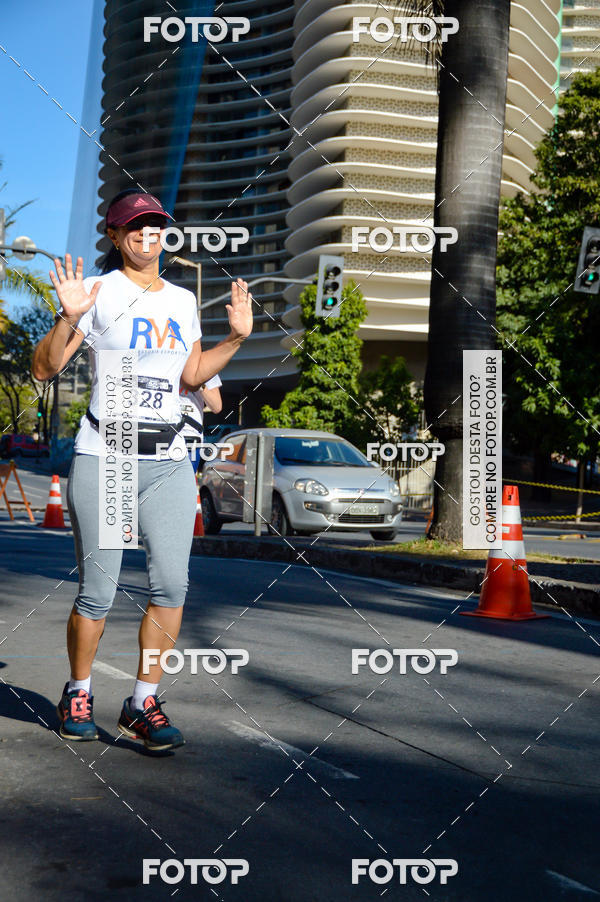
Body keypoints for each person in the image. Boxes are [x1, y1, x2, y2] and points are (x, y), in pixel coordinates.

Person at [32, 188, 252, 751]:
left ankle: (141, 702)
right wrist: (68, 315)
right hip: (109, 457)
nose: (146, 234)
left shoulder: (181, 300)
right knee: (98, 593)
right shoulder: (98, 292)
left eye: (155, 226)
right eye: (135, 226)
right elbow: (44, 369)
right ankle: (78, 692)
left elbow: (194, 375)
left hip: (168, 461)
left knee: (172, 586)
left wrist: (235, 339)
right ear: (114, 235)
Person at [179, 376, 223, 473]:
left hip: (189, 436)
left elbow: (217, 407)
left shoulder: (206, 367)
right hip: (162, 431)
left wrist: (198, 382)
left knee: (185, 485)